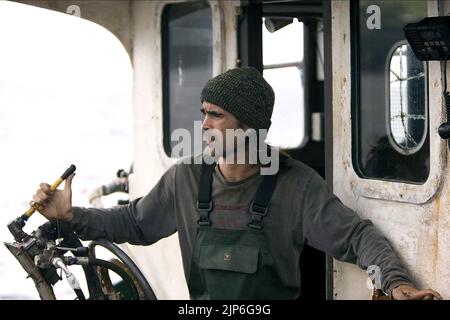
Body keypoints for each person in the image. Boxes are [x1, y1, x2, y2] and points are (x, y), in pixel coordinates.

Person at [32, 67, 442, 300]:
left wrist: (396, 282)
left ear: (249, 126)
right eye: (203, 113)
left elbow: (357, 238)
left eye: (216, 115)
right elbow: (135, 224)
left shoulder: (296, 186)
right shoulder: (186, 179)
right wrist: (69, 215)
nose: (204, 125)